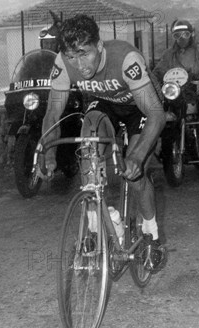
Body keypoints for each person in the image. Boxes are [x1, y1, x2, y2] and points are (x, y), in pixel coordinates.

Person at [41, 14, 167, 273]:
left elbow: (156, 114)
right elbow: (52, 114)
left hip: (139, 106)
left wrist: (138, 155)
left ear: (99, 46)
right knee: (89, 136)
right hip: (105, 104)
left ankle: (152, 234)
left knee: (134, 174)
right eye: (72, 57)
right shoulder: (63, 63)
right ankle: (102, 225)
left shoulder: (125, 58)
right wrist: (48, 152)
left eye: (84, 54)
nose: (79, 64)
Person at [152, 19, 199, 148]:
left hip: (197, 87)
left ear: (191, 35)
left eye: (185, 34)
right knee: (160, 104)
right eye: (177, 35)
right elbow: (158, 70)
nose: (181, 38)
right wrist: (152, 79)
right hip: (175, 91)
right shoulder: (168, 54)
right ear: (173, 37)